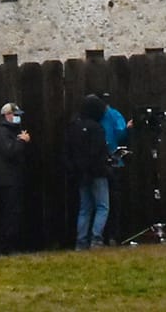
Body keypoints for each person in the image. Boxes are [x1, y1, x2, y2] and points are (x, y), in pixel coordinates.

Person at [63, 93, 114, 249]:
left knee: (84, 208)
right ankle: (96, 239)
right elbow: (98, 151)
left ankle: (81, 242)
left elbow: (67, 151)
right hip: (97, 172)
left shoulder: (73, 127)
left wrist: (76, 169)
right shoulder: (96, 128)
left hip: (80, 173)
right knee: (102, 206)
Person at [0, 102, 32, 251]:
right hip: (6, 181)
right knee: (8, 215)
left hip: (14, 179)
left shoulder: (12, 131)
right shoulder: (1, 132)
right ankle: (5, 247)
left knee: (14, 214)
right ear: (7, 115)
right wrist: (21, 141)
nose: (18, 118)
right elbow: (9, 152)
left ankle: (12, 245)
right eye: (15, 115)